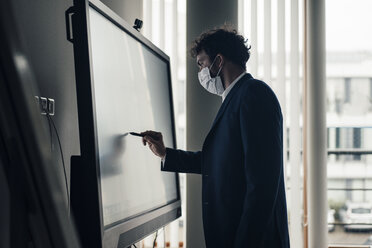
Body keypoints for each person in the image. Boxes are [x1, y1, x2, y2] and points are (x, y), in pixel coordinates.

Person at [141, 26, 290, 248]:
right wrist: (165, 154)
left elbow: (262, 184)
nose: (200, 72)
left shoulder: (254, 94)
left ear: (218, 61)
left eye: (201, 64)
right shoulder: (236, 98)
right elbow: (220, 162)